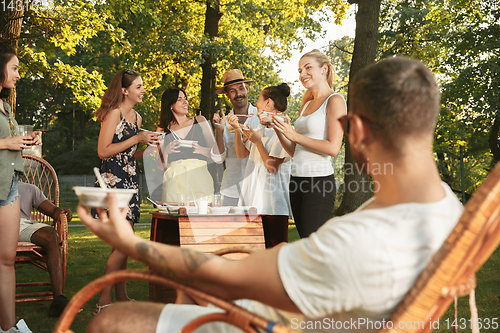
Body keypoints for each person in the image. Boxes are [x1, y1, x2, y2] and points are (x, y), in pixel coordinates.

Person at [78, 57, 464, 333]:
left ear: (355, 130)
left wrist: (129, 242)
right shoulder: (448, 212)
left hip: (273, 322)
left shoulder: (352, 240)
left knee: (110, 322)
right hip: (316, 309)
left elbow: (225, 272)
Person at [93, 68, 159, 314]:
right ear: (124, 90)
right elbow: (103, 151)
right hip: (113, 182)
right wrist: (137, 138)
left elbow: (131, 155)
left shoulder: (137, 118)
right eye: (139, 86)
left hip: (131, 181)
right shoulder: (114, 114)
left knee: (121, 243)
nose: (143, 90)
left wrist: (149, 148)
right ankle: (103, 300)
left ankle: (121, 295)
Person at [273, 49, 346, 238]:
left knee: (312, 246)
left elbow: (333, 148)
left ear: (324, 69)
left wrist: (295, 136)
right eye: (299, 71)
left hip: (319, 183)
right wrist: (278, 128)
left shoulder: (335, 100)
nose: (302, 74)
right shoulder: (306, 104)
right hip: (296, 180)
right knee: (307, 245)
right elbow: (293, 150)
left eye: (307, 68)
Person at [0, 41, 40, 333]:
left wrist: (28, 140)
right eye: (14, 68)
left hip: (9, 185)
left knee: (6, 259)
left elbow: (11, 142)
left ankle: (9, 327)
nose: (18, 74)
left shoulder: (3, 104)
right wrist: (6, 142)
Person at [229, 83, 292, 248]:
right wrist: (237, 129)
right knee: (255, 252)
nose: (256, 104)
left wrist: (257, 142)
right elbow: (241, 154)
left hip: (273, 204)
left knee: (275, 252)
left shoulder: (284, 128)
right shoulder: (261, 127)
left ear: (268, 103)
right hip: (255, 201)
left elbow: (272, 166)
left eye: (259, 99)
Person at [154, 87, 219, 203]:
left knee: (202, 216)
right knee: (175, 217)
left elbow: (216, 153)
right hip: (174, 181)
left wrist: (202, 150)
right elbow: (160, 165)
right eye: (180, 99)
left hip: (200, 177)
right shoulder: (162, 129)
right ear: (170, 105)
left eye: (185, 98)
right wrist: (166, 152)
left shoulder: (200, 120)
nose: (185, 102)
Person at [17, 182, 72, 318]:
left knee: (52, 235)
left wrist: (62, 213)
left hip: (23, 225)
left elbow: (53, 211)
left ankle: (58, 299)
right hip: (4, 226)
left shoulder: (29, 188)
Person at [212, 69, 260, 206]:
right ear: (227, 95)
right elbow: (218, 159)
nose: (238, 94)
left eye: (241, 88)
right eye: (232, 91)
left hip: (257, 189)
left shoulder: (261, 117)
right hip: (231, 191)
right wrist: (219, 131)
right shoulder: (223, 121)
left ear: (247, 89)